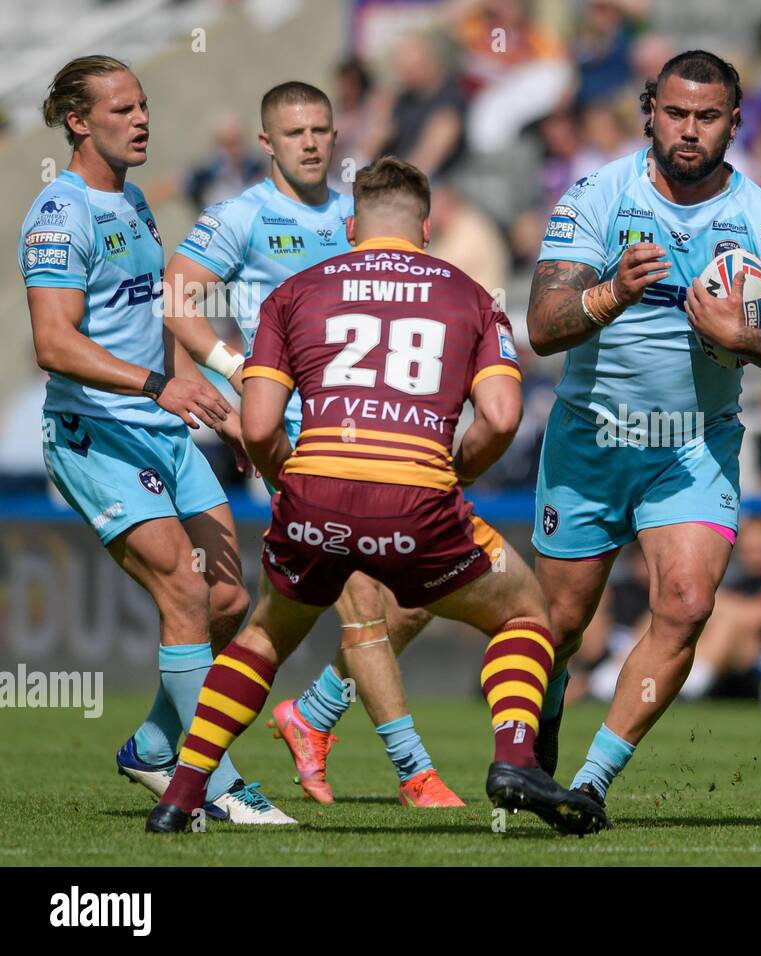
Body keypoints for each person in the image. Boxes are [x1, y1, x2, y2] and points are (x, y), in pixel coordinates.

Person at [146, 157, 606, 835]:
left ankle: (181, 795)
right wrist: (456, 478)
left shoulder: (295, 292)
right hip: (420, 500)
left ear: (352, 225)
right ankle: (514, 758)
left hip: (315, 495)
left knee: (264, 638)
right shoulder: (472, 295)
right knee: (525, 613)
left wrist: (289, 484)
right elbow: (504, 417)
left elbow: (260, 424)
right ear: (426, 228)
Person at [525, 50, 761, 819]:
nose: (688, 130)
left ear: (734, 122)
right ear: (649, 111)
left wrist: (749, 337)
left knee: (689, 604)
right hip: (590, 438)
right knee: (561, 626)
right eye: (675, 113)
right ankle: (544, 735)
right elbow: (541, 326)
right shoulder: (598, 194)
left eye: (706, 117)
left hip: (693, 445)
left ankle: (591, 785)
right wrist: (611, 293)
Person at [162, 82, 453, 807]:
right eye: (295, 133)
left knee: (416, 597)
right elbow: (177, 295)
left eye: (321, 129)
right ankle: (414, 771)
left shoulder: (356, 215)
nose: (312, 142)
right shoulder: (243, 216)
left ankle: (311, 714)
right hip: (300, 436)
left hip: (380, 427)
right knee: (358, 590)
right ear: (267, 143)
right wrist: (239, 376)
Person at [22, 56, 291, 824]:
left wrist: (216, 407)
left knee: (229, 597)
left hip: (165, 430)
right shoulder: (58, 212)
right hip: (97, 434)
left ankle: (152, 746)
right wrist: (157, 389)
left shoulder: (135, 202)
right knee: (182, 589)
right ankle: (219, 783)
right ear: (78, 121)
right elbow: (53, 343)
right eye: (123, 109)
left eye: (144, 107)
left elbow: (159, 317)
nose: (142, 120)